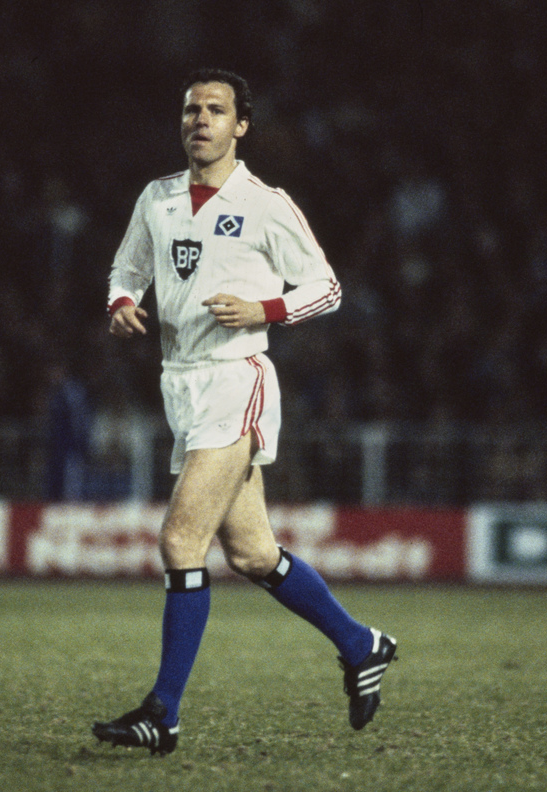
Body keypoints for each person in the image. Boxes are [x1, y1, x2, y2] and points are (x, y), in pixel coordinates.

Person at [92, 69, 397, 756]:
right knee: (255, 553)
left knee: (179, 541)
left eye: (216, 109)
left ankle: (162, 714)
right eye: (191, 109)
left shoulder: (265, 204)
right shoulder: (158, 198)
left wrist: (268, 308)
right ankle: (362, 644)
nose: (200, 119)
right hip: (182, 384)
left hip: (239, 379)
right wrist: (120, 304)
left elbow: (327, 288)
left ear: (241, 126)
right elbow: (125, 269)